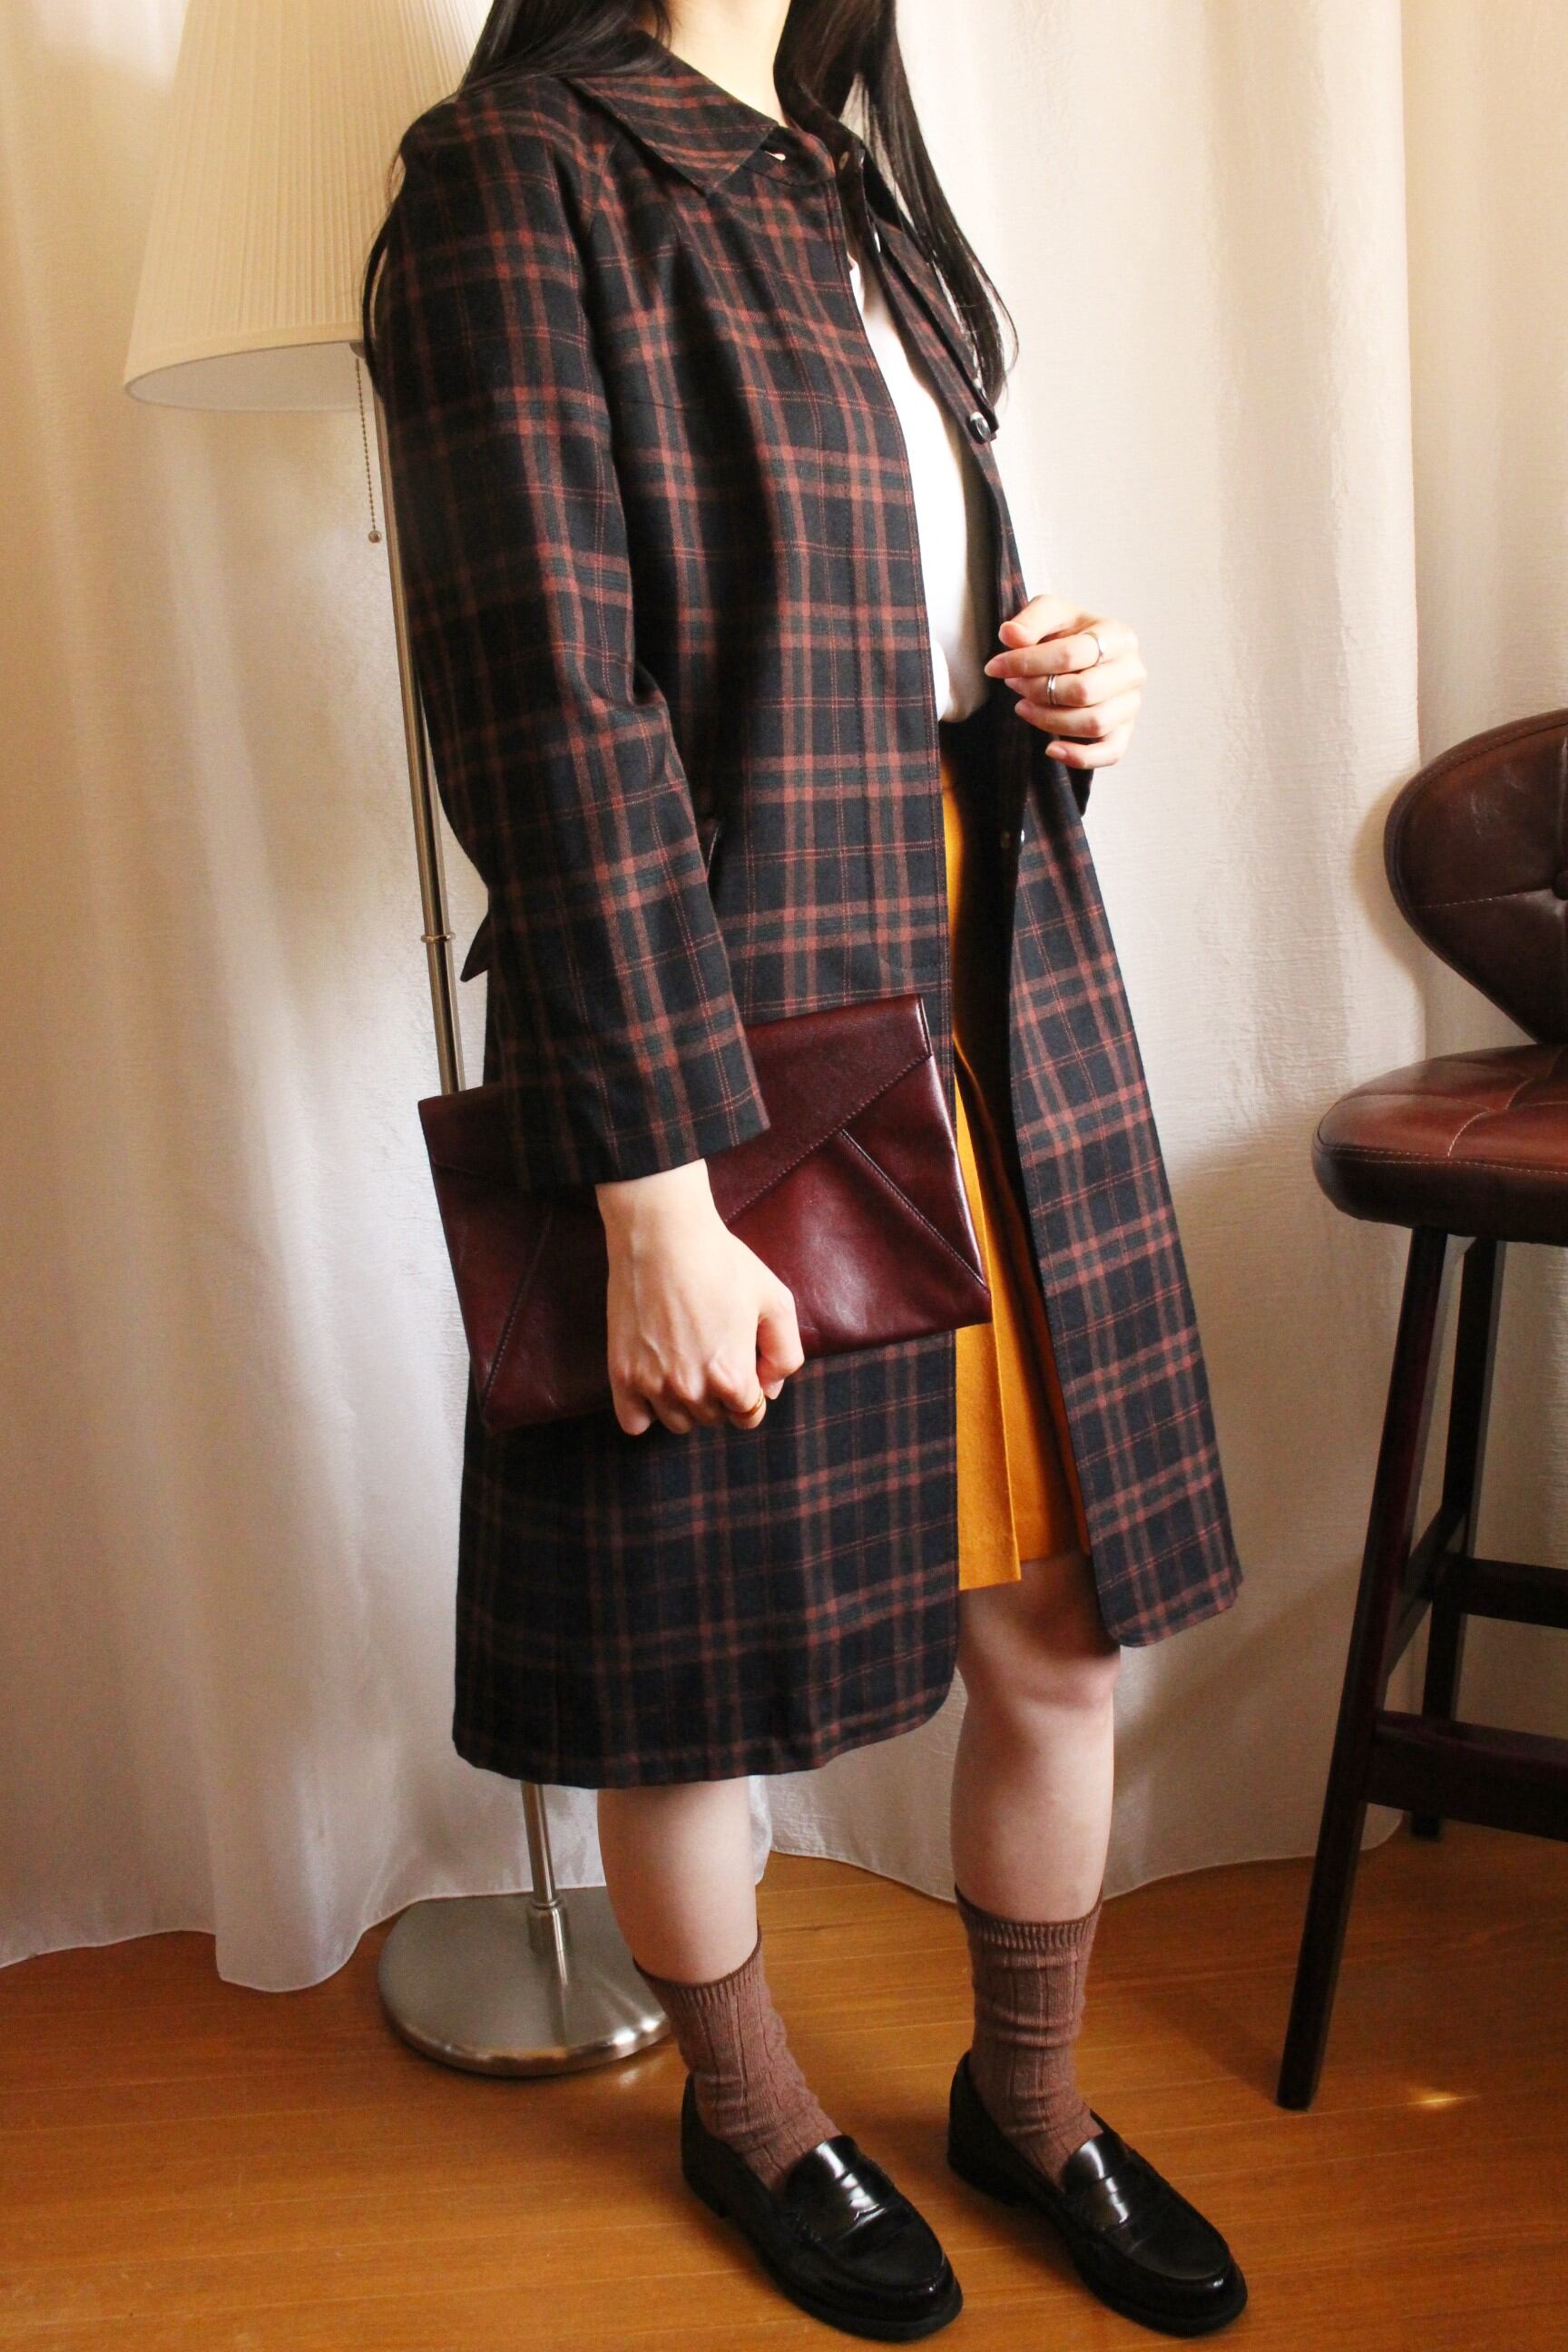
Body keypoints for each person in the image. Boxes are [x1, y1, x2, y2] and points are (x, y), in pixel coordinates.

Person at [363, 1, 1246, 2337]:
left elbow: (887, 633)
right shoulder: (514, 171)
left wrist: (1059, 687)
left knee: (1057, 1612)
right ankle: (749, 2112)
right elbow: (550, 713)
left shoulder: (860, 187)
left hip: (992, 979)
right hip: (718, 1027)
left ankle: (1031, 2102)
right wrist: (652, 1192)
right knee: (687, 1653)